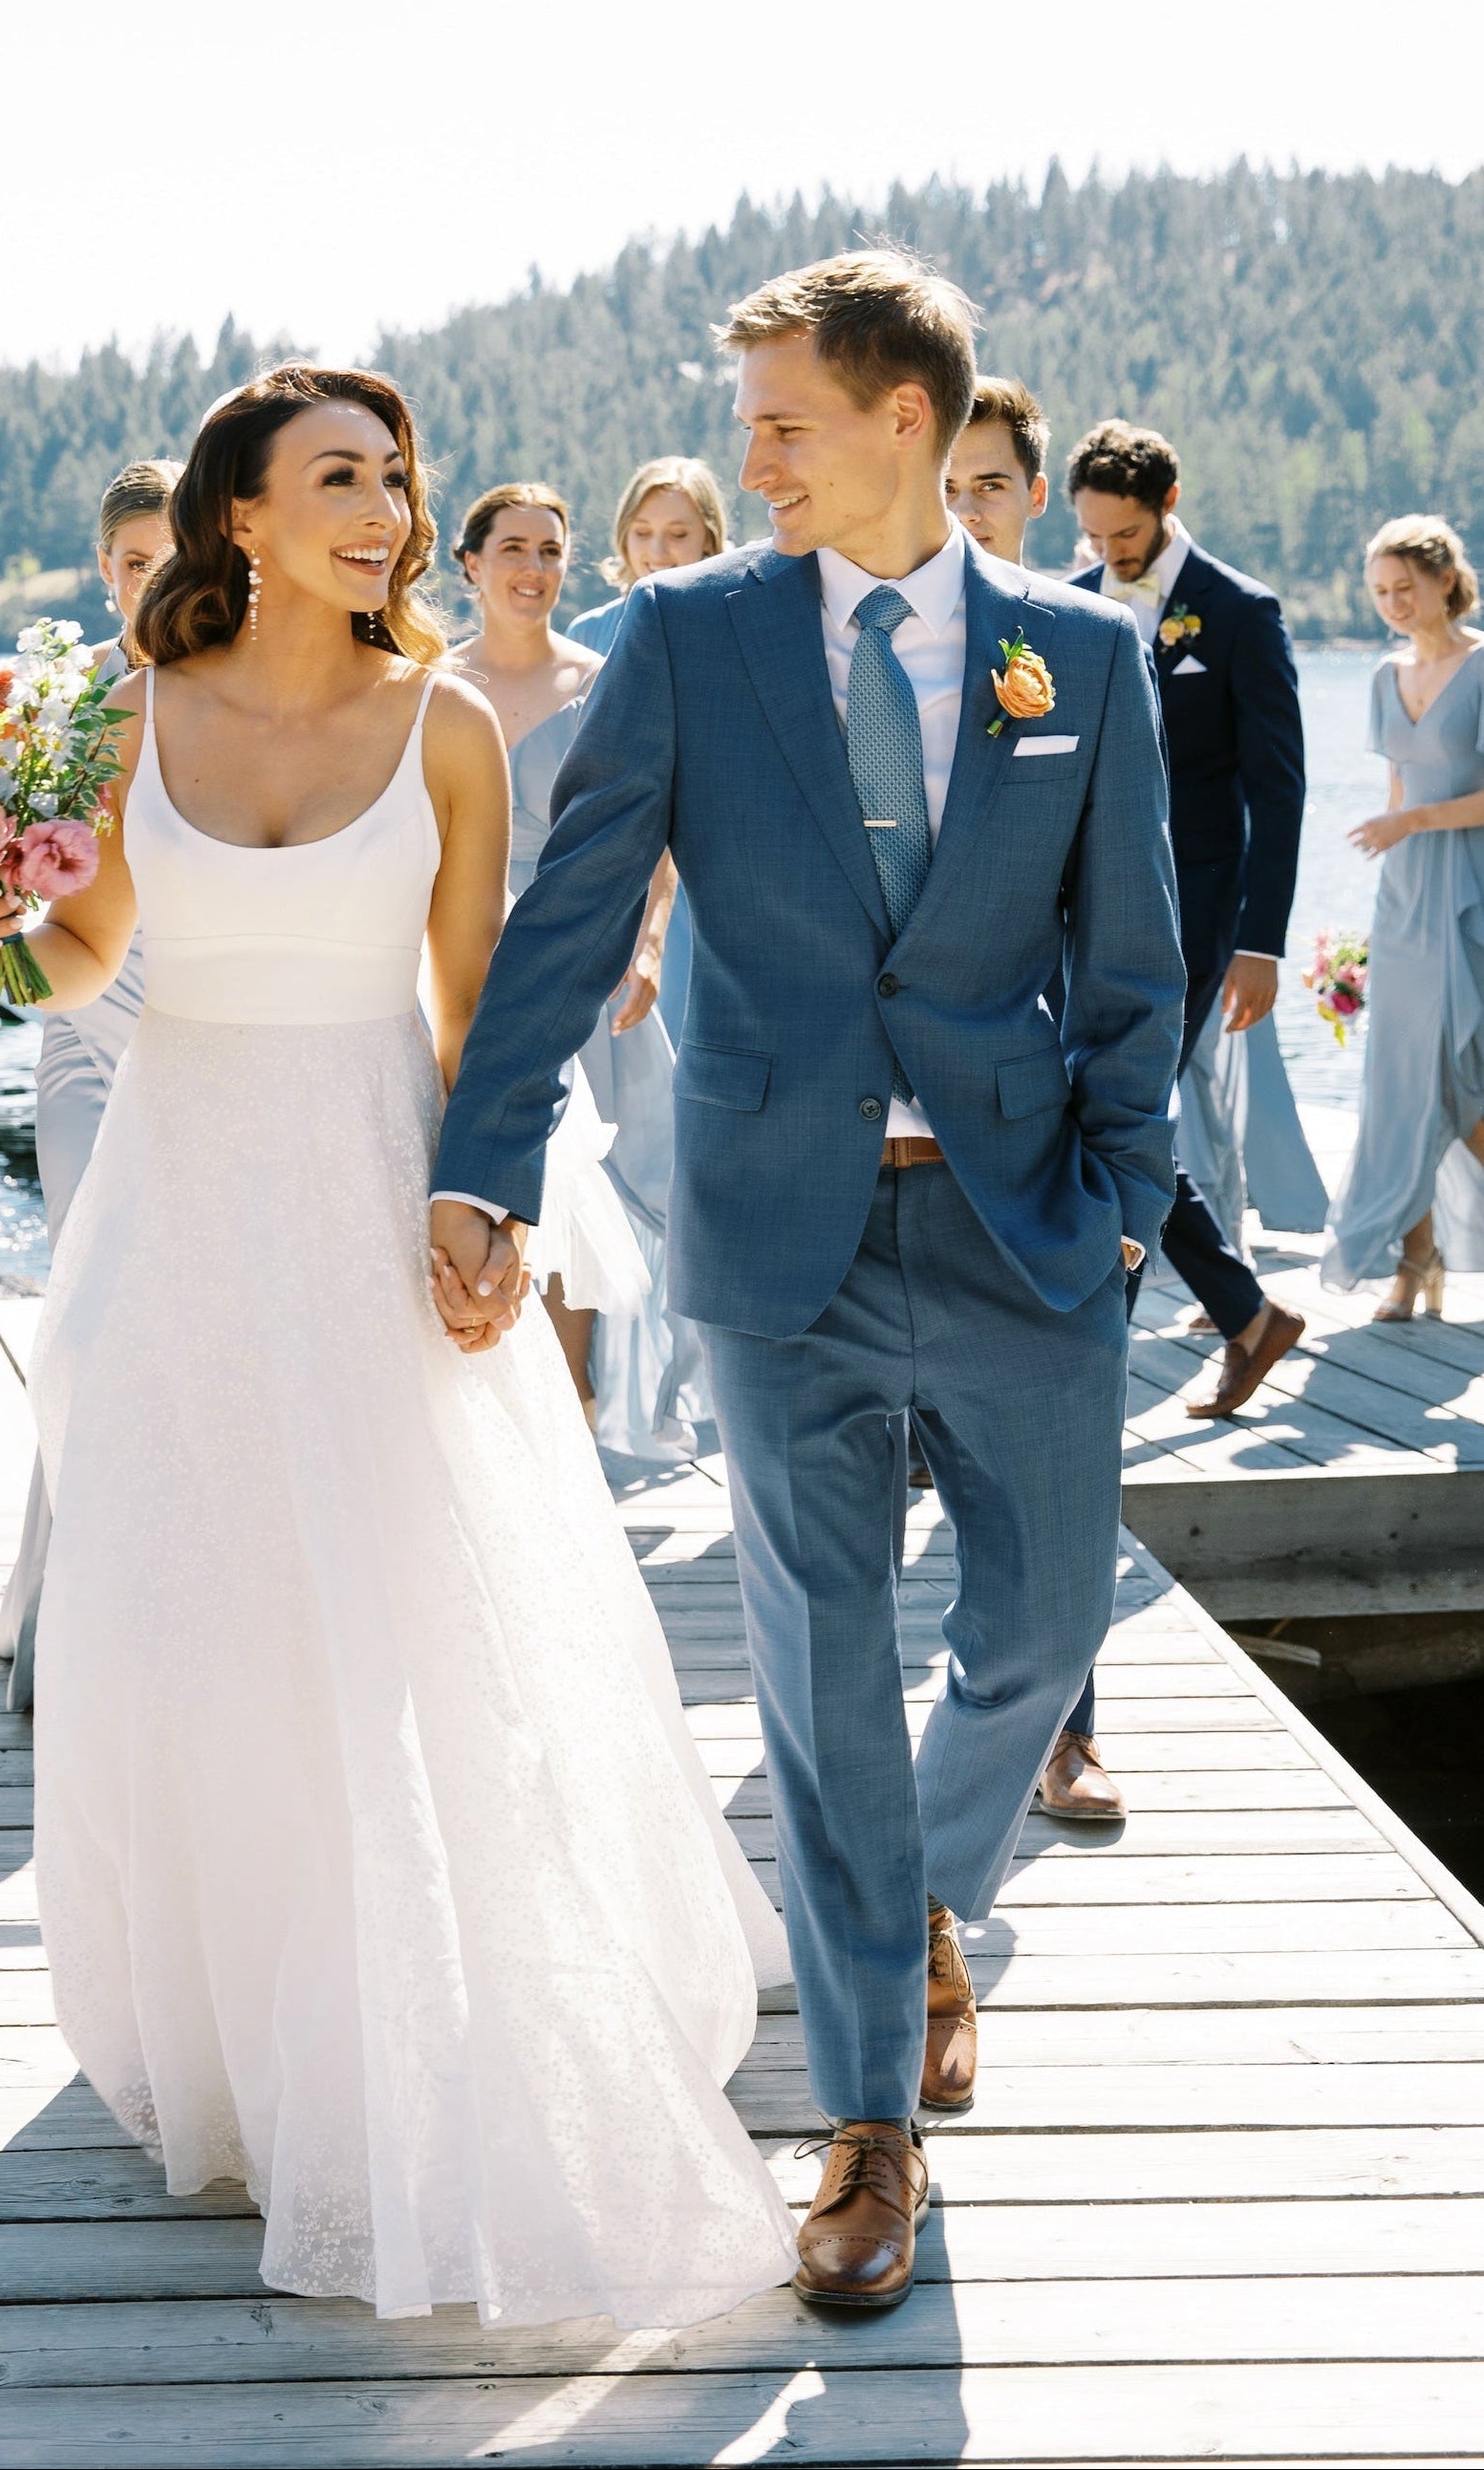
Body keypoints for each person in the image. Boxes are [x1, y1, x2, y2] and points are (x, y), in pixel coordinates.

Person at [0, 364, 797, 2330]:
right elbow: (83, 960)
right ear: (237, 515)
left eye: (394, 478)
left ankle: (419, 2012)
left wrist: (485, 1198)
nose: (385, 508)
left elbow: (483, 1004)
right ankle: (240, 2032)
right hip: (169, 1192)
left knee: (409, 1608)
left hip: (364, 1188)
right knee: (185, 1605)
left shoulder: (443, 730)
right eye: (341, 476)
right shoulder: (124, 714)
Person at [431, 253, 1184, 2311]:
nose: (741, 454)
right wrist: (482, 1167)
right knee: (819, 1669)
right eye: (741, 417)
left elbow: (1130, 968)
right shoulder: (682, 637)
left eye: (776, 420)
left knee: (1034, 1636)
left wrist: (1126, 1205)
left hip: (1026, 1222)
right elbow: (573, 914)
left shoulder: (1077, 661)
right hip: (774, 1237)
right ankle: (868, 2123)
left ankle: (921, 1895)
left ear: (898, 425)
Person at [918, 379, 1122, 1821]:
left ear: (1028, 496)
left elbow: (1119, 925)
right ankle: (897, 1858)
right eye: (947, 481)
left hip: (1028, 1141)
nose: (964, 507)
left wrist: (1127, 1179)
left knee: (1051, 1522)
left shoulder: (1070, 653)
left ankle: (1067, 1730)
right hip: (834, 1152)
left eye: (987, 484)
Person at [447, 483, 709, 1462]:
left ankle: (574, 1421)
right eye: (511, 547)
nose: (533, 568)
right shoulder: (425, 684)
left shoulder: (609, 680)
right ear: (467, 565)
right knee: (468, 1178)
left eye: (550, 551)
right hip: (456, 958)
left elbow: (655, 835)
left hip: (582, 958)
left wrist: (642, 950)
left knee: (582, 1196)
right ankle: (479, 1423)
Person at [1068, 421, 1307, 1418]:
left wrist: (1261, 941)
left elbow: (1279, 788)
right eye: (1092, 536)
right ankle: (1246, 1314)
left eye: (1122, 537)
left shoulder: (1239, 612)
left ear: (1166, 507)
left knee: (1120, 1108)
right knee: (1105, 1108)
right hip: (1083, 904)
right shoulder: (1069, 607)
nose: (1107, 555)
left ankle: (1089, 1353)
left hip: (1199, 912)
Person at [0, 460, 177, 1711]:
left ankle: (155, 1612)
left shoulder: (249, 702)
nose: (153, 581)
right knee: (95, 1316)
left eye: (177, 556)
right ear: (103, 572)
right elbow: (23, 916)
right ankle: (67, 1616)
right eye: (131, 562)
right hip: (86, 1046)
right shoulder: (58, 713)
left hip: (211, 1043)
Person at [1323, 514, 1484, 1311]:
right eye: (1380, 591)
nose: (1392, 603)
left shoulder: (1483, 668)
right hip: (1405, 905)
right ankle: (1415, 1258)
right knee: (1398, 1081)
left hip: (1472, 894)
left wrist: (1412, 824)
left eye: (1405, 587)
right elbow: (1394, 792)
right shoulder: (1384, 676)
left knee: (1466, 1076)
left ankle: (1434, 1253)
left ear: (1445, 580)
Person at [569, 459, 729, 1037]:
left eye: (678, 534)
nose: (656, 550)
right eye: (642, 532)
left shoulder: (733, 629)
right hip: (614, 874)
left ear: (710, 537)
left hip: (710, 877)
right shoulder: (588, 634)